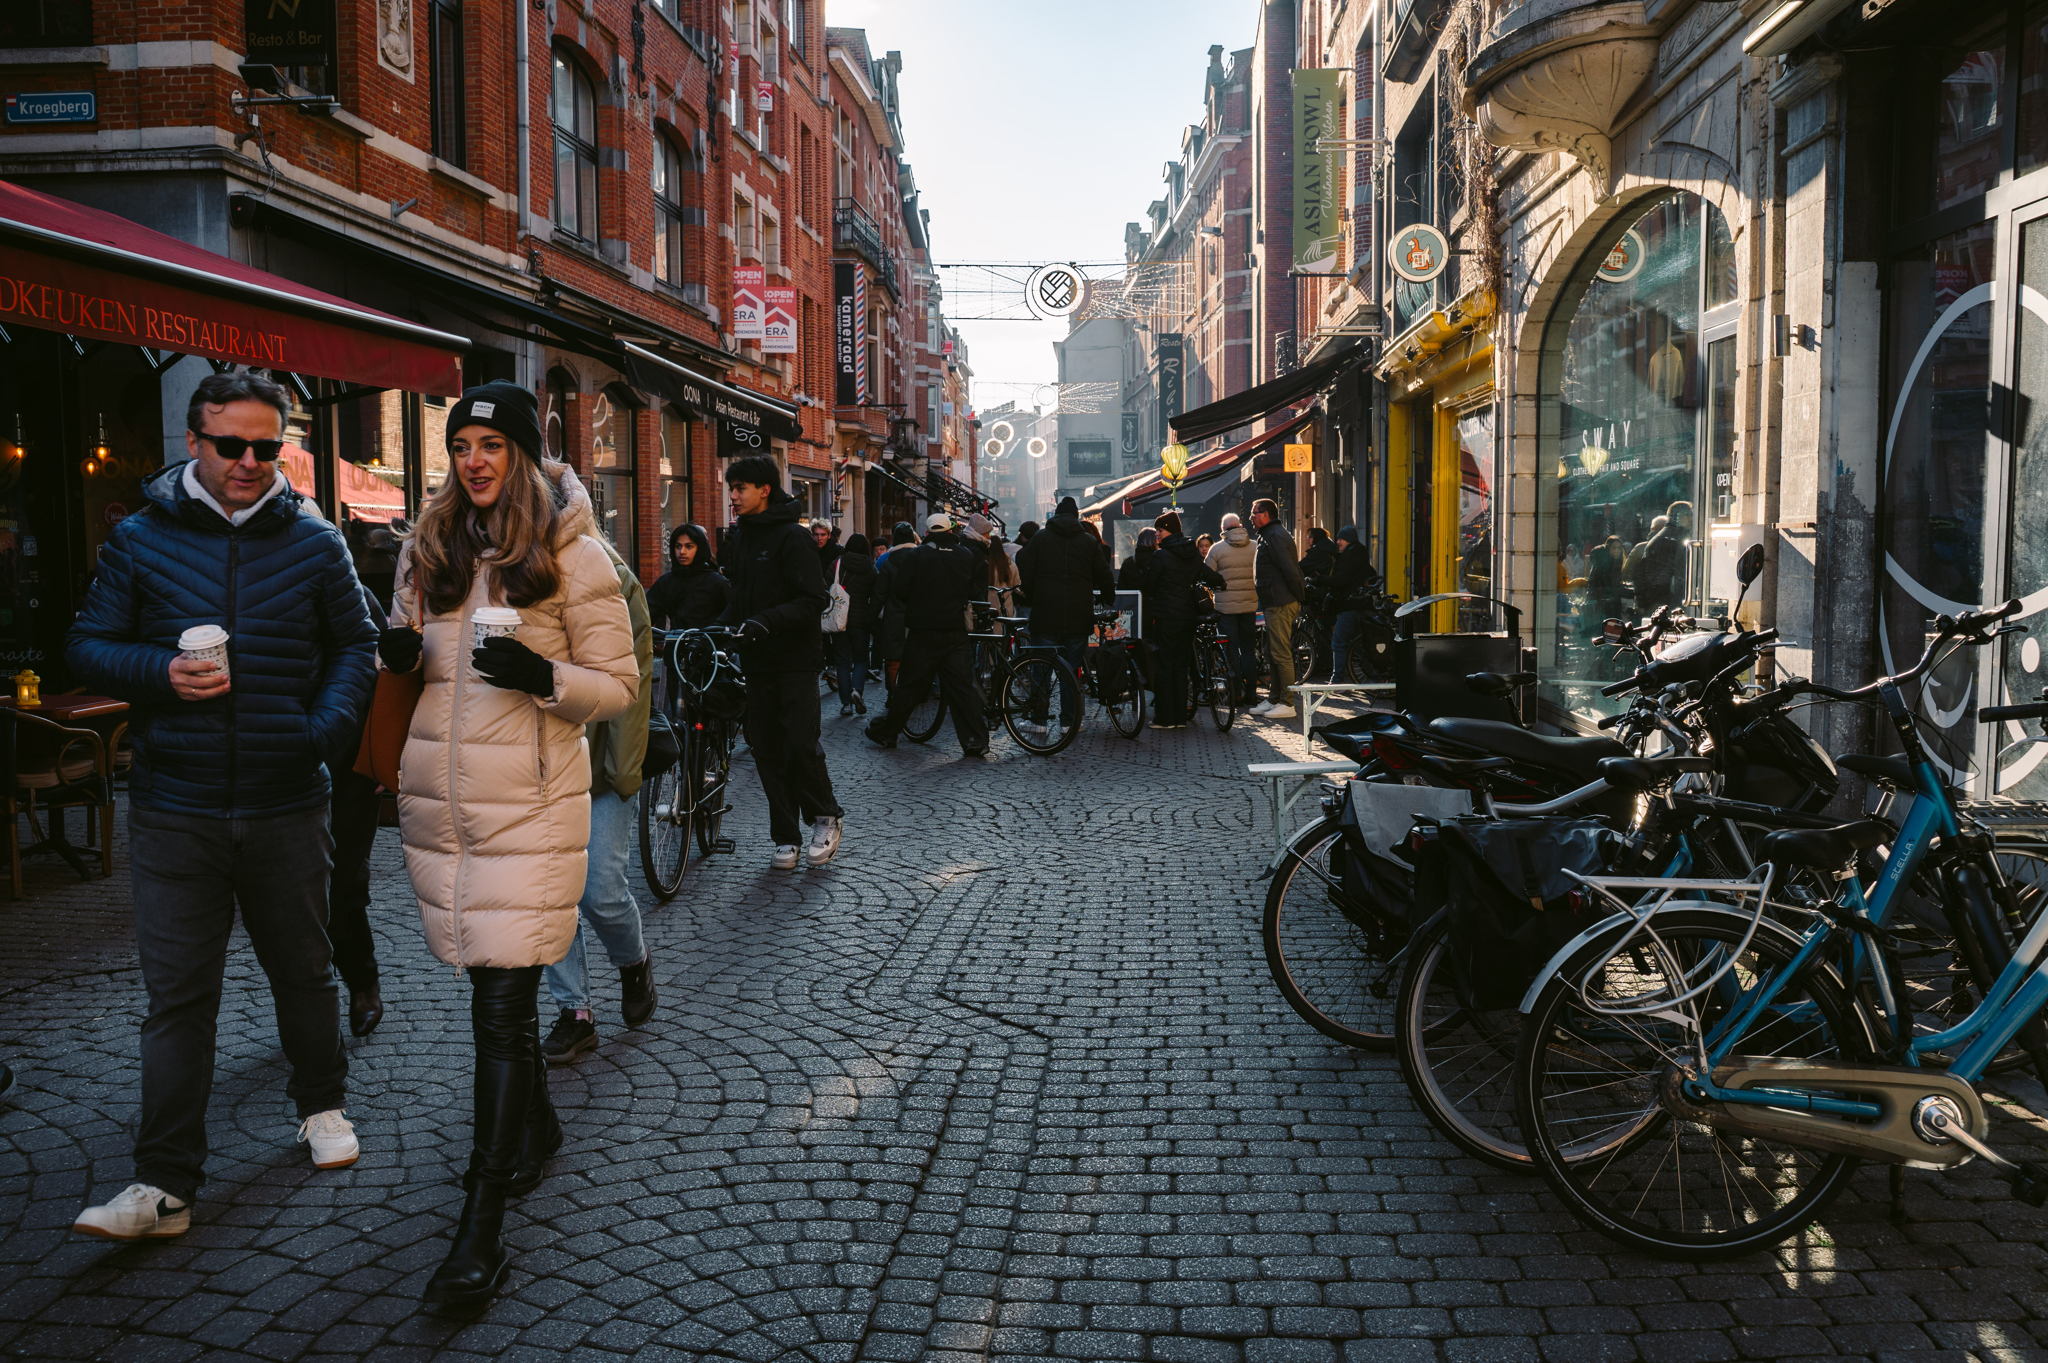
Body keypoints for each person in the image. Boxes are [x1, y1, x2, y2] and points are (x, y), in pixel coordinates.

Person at [68, 370, 379, 1241]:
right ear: (194, 445)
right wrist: (160, 673)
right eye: (230, 445)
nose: (249, 463)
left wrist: (321, 732)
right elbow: (87, 644)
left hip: (287, 798)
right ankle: (164, 1184)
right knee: (177, 999)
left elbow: (356, 644)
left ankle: (321, 1104)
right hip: (176, 803)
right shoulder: (140, 537)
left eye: (266, 447)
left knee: (304, 970)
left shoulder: (317, 541)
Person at [378, 380, 636, 1305]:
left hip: (530, 808)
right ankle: (541, 1133)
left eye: (492, 443)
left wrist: (542, 673)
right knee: (496, 999)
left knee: (499, 1009)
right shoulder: (430, 545)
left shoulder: (575, 553)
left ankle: (479, 1229)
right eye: (462, 445)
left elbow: (616, 684)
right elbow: (411, 653)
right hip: (445, 813)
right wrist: (400, 652)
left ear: (522, 454)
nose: (474, 460)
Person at [540, 472, 658, 1067]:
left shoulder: (605, 570)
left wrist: (621, 771)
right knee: (552, 896)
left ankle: (633, 963)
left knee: (602, 893)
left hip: (598, 765)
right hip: (533, 768)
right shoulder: (500, 568)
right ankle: (575, 1011)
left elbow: (631, 689)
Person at [719, 455, 845, 869]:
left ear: (764, 490)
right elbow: (737, 598)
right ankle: (785, 836)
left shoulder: (794, 537)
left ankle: (826, 817)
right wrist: (718, 628)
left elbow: (814, 599)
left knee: (800, 744)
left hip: (794, 660)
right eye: (731, 488)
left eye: (740, 488)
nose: (733, 496)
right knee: (766, 748)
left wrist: (764, 622)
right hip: (756, 660)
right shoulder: (739, 538)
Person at [865, 512, 990, 757]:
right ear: (950, 530)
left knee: (910, 686)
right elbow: (974, 589)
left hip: (924, 631)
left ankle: (889, 732)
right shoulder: (965, 556)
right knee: (962, 688)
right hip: (955, 631)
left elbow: (900, 590)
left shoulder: (917, 556)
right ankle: (975, 739)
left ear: (928, 531)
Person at [328, 586, 390, 1040]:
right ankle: (306, 997)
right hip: (278, 762)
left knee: (345, 881)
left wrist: (385, 755)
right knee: (286, 893)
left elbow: (387, 680)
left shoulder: (351, 593)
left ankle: (362, 982)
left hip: (349, 765)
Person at [1017, 495, 1116, 685]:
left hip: (1045, 613)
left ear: (1056, 515)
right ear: (1076, 516)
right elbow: (1104, 574)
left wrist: (1030, 593)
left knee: (1041, 669)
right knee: (1071, 673)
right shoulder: (1088, 541)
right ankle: (1070, 714)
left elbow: (1023, 562)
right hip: (1078, 616)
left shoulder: (1040, 539)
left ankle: (1040, 711)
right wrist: (1107, 596)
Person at [1139, 510, 1225, 728]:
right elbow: (1208, 574)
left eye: (1160, 530)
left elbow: (1149, 585)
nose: (1157, 534)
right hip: (1188, 617)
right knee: (1181, 666)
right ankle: (1180, 717)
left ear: (1169, 530)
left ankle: (1166, 718)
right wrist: (1221, 582)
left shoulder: (1161, 556)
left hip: (1166, 618)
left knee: (1165, 667)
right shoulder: (1190, 553)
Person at [1249, 497, 1306, 721]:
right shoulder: (1270, 535)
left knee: (1280, 653)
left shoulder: (1275, 536)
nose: (1251, 517)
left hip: (1280, 602)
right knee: (1271, 652)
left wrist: (1299, 597)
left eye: (1255, 513)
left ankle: (1287, 702)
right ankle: (1274, 698)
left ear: (1267, 514)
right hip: (1273, 602)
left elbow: (1290, 570)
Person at [1206, 512, 1260, 706]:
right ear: (1240, 525)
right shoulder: (1255, 547)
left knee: (1230, 651)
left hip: (1225, 609)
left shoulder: (1216, 549)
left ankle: (1235, 692)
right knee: (1248, 650)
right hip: (1249, 605)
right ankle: (1252, 693)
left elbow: (1207, 576)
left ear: (1223, 530)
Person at [1327, 526, 1387, 682]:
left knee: (1339, 642)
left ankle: (1337, 679)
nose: (1338, 542)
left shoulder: (1349, 557)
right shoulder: (1360, 555)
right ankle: (1369, 675)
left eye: (1341, 539)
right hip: (1362, 605)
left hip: (1350, 605)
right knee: (1359, 644)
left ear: (1349, 540)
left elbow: (1341, 580)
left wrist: (1322, 579)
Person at [647, 523, 731, 630]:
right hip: (675, 642)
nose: (682, 552)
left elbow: (732, 616)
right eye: (678, 546)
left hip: (709, 642)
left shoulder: (717, 582)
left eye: (689, 546)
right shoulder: (666, 582)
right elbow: (646, 615)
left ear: (700, 549)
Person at [871, 521, 919, 694]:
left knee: (893, 660)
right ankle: (913, 694)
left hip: (893, 617)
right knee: (916, 658)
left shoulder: (886, 560)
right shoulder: (921, 557)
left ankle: (893, 694)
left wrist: (872, 618)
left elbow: (879, 594)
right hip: (918, 616)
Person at [834, 533, 877, 716]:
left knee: (842, 662)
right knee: (860, 659)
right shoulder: (870, 567)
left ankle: (846, 704)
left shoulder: (838, 563)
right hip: (861, 619)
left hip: (839, 619)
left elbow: (827, 585)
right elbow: (876, 593)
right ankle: (856, 691)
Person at [1630, 501, 1691, 617]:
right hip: (1663, 602)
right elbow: (1669, 575)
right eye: (1688, 515)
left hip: (1661, 600)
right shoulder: (1669, 539)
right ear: (1678, 517)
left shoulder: (1671, 537)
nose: (1691, 519)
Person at [1584, 534, 1628, 630]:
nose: (1617, 550)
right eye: (1614, 548)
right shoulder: (1603, 564)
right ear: (1608, 549)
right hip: (1602, 600)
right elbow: (1604, 584)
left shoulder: (1616, 561)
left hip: (1610, 600)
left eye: (1619, 548)